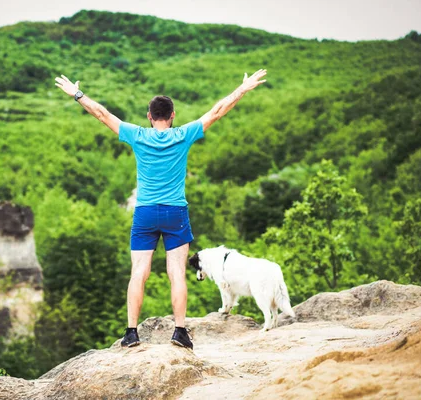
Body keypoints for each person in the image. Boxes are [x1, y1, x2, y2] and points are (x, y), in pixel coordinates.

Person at [55, 69, 267, 350]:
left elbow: (102, 114)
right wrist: (243, 89)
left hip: (144, 213)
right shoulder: (183, 135)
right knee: (177, 273)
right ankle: (179, 332)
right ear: (173, 115)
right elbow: (217, 111)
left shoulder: (137, 135)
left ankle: (131, 333)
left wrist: (77, 94)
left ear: (149, 116)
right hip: (175, 212)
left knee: (138, 272)